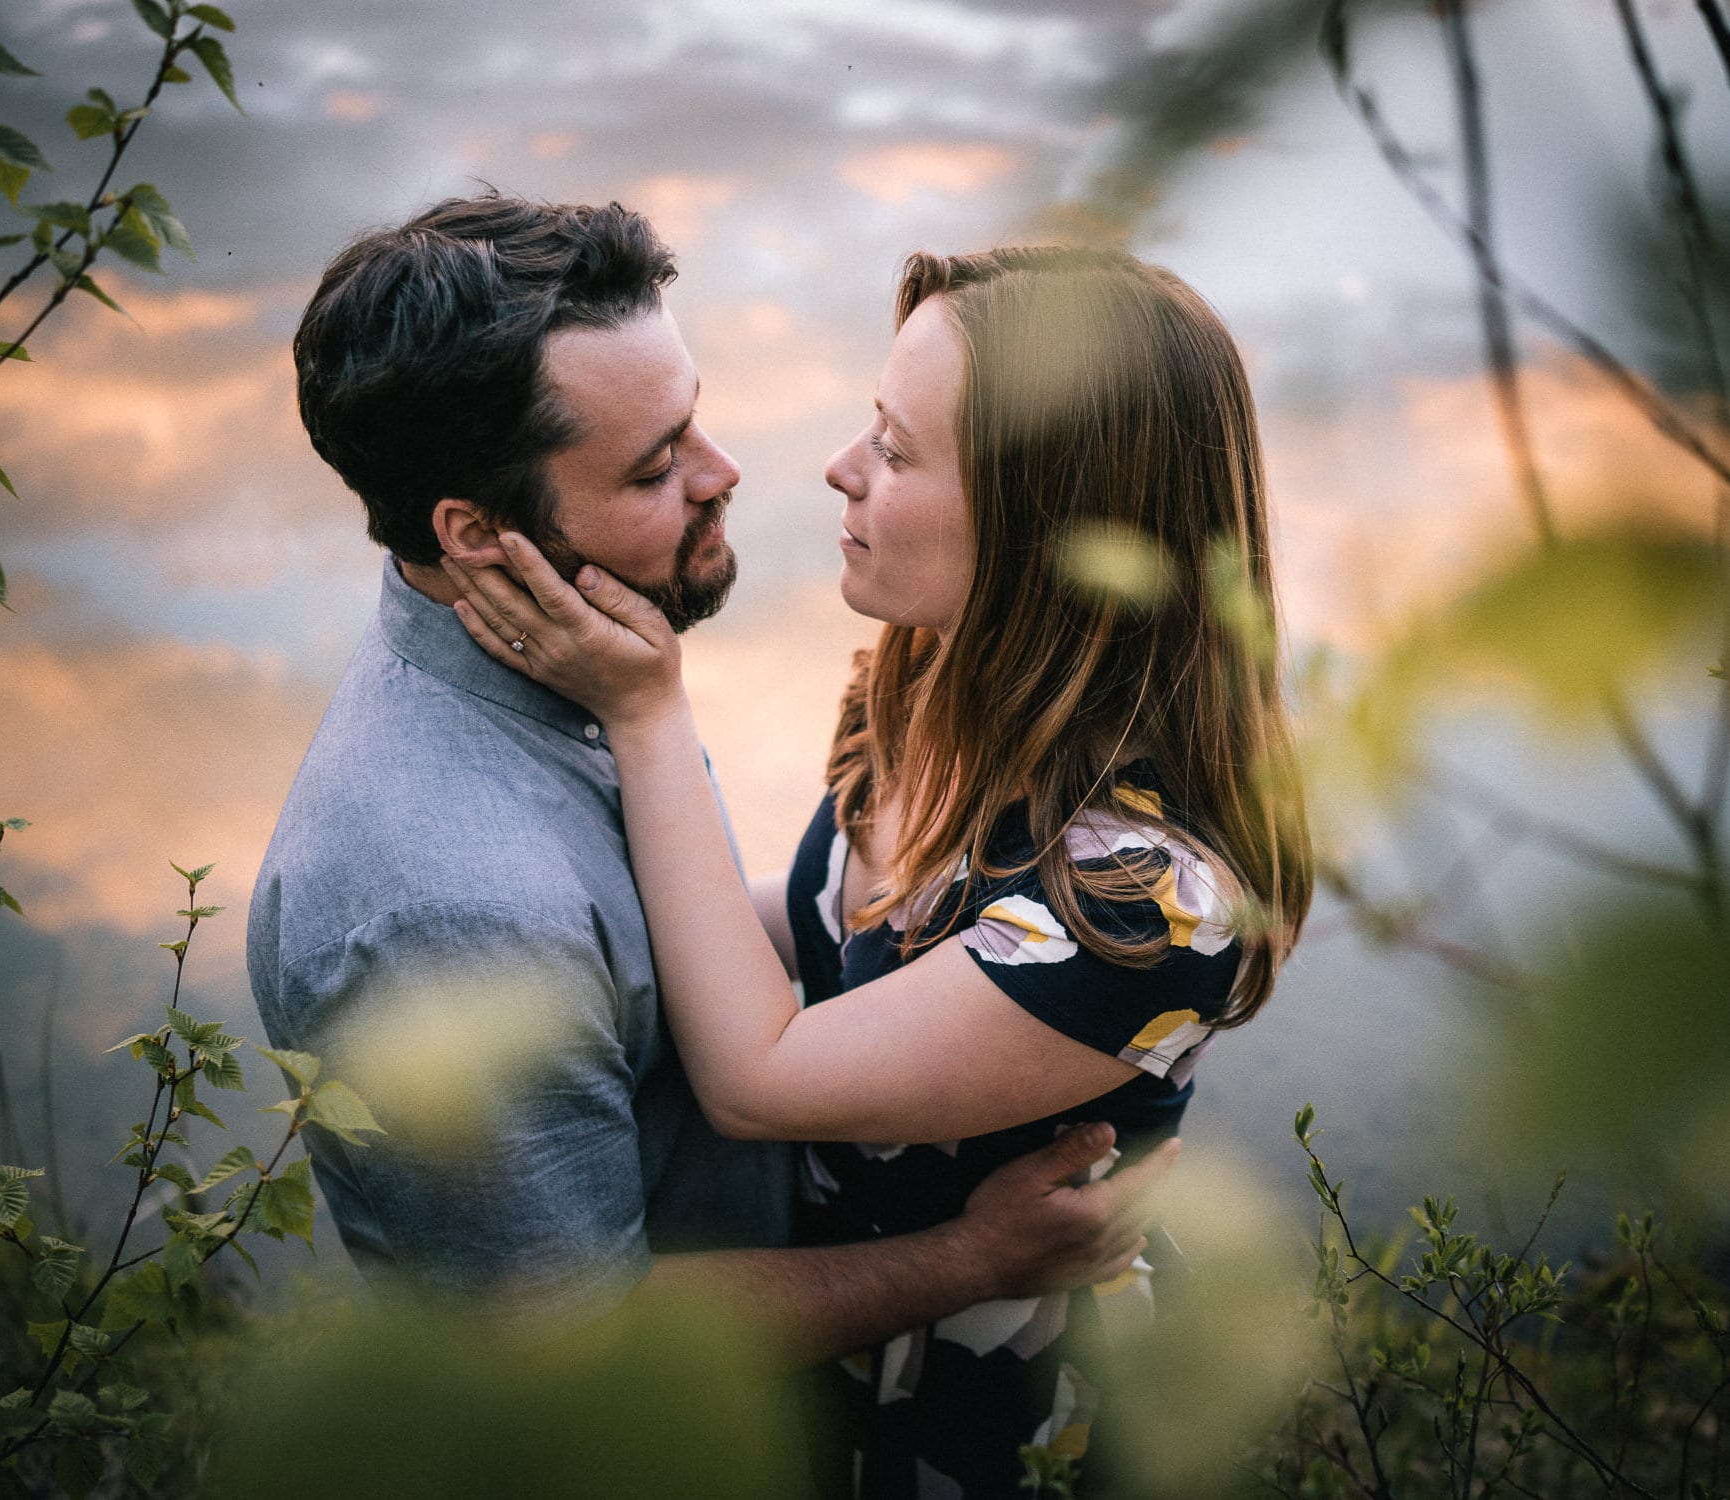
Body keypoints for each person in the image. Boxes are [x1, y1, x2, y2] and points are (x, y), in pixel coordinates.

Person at [443, 243, 1313, 1496]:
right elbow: (812, 930)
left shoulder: (1149, 902)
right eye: (870, 424)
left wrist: (645, 714)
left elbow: (759, 1076)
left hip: (1003, 1436)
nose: (841, 469)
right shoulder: (924, 691)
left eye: (899, 451)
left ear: (1048, 525)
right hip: (828, 1366)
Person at [248, 197, 1172, 1367]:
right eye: (653, 468)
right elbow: (577, 1366)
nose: (725, 472)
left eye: (693, 420)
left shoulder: (590, 679)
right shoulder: (451, 913)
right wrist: (966, 1259)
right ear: (477, 535)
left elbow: (718, 943)